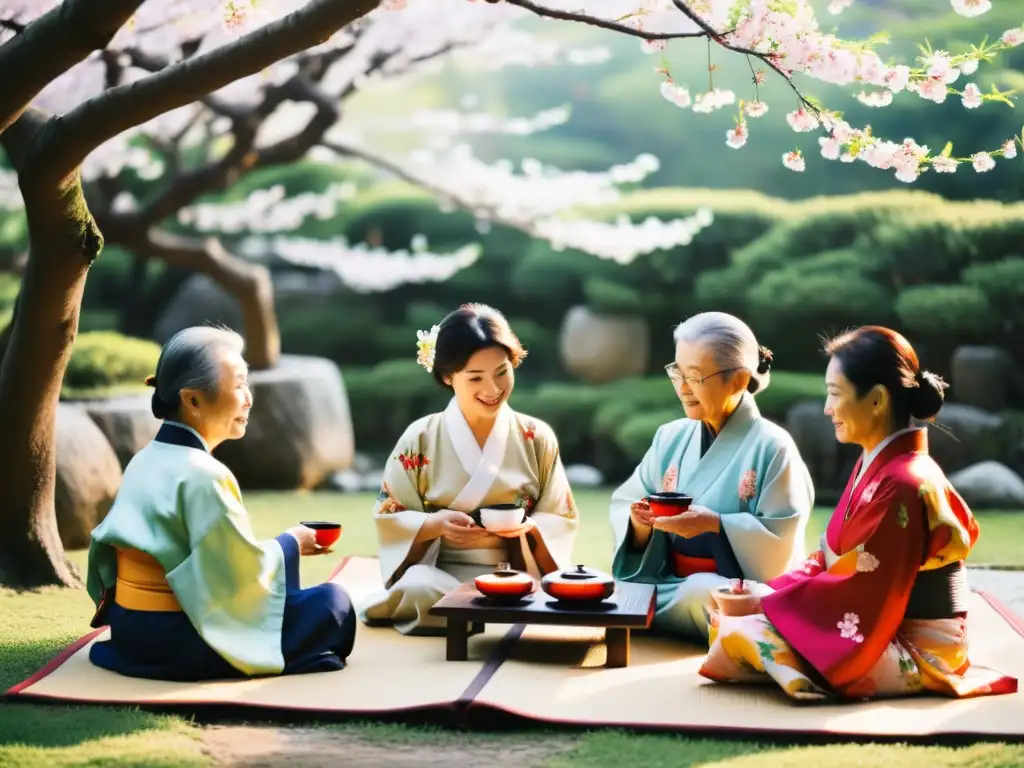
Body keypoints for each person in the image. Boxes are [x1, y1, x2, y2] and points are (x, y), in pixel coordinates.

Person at [699, 326, 1018, 701]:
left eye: (835, 395)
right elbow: (832, 559)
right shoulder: (879, 462)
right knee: (734, 621)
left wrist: (769, 607)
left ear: (878, 400)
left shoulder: (904, 481)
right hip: (881, 621)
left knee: (742, 635)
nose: (827, 409)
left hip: (918, 646)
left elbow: (863, 590)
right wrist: (768, 592)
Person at [86, 326, 357, 681]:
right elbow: (235, 578)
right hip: (174, 637)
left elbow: (218, 563)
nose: (248, 398)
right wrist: (291, 543)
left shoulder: (145, 459)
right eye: (239, 384)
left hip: (128, 627)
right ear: (193, 400)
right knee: (333, 605)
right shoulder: (203, 474)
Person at [359, 304, 579, 635]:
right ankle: (489, 617)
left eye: (502, 372)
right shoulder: (419, 438)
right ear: (448, 376)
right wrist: (433, 525)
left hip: (516, 574)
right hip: (441, 575)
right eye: (475, 377)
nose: (492, 389)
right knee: (418, 586)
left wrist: (529, 529)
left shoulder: (536, 437)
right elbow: (390, 515)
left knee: (548, 590)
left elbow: (559, 517)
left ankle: (476, 616)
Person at [609, 311, 814, 641]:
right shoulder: (669, 437)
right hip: (667, 582)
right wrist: (639, 523)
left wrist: (715, 524)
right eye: (677, 373)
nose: (683, 388)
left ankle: (659, 615)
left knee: (707, 593)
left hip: (731, 588)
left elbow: (781, 543)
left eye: (695, 377)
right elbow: (627, 500)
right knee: (621, 587)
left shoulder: (773, 446)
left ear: (739, 380)